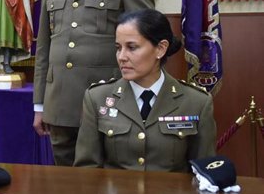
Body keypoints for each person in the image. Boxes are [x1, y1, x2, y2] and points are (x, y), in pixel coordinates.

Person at [33, 0, 155, 166]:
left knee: (108, 188)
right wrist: (40, 106)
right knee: (64, 190)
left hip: (109, 105)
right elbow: (43, 48)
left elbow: (148, 43)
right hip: (60, 107)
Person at [74, 9, 216, 171]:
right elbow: (87, 170)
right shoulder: (97, 98)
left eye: (132, 47)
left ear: (160, 49)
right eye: (118, 48)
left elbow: (204, 174)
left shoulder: (196, 101)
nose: (121, 56)